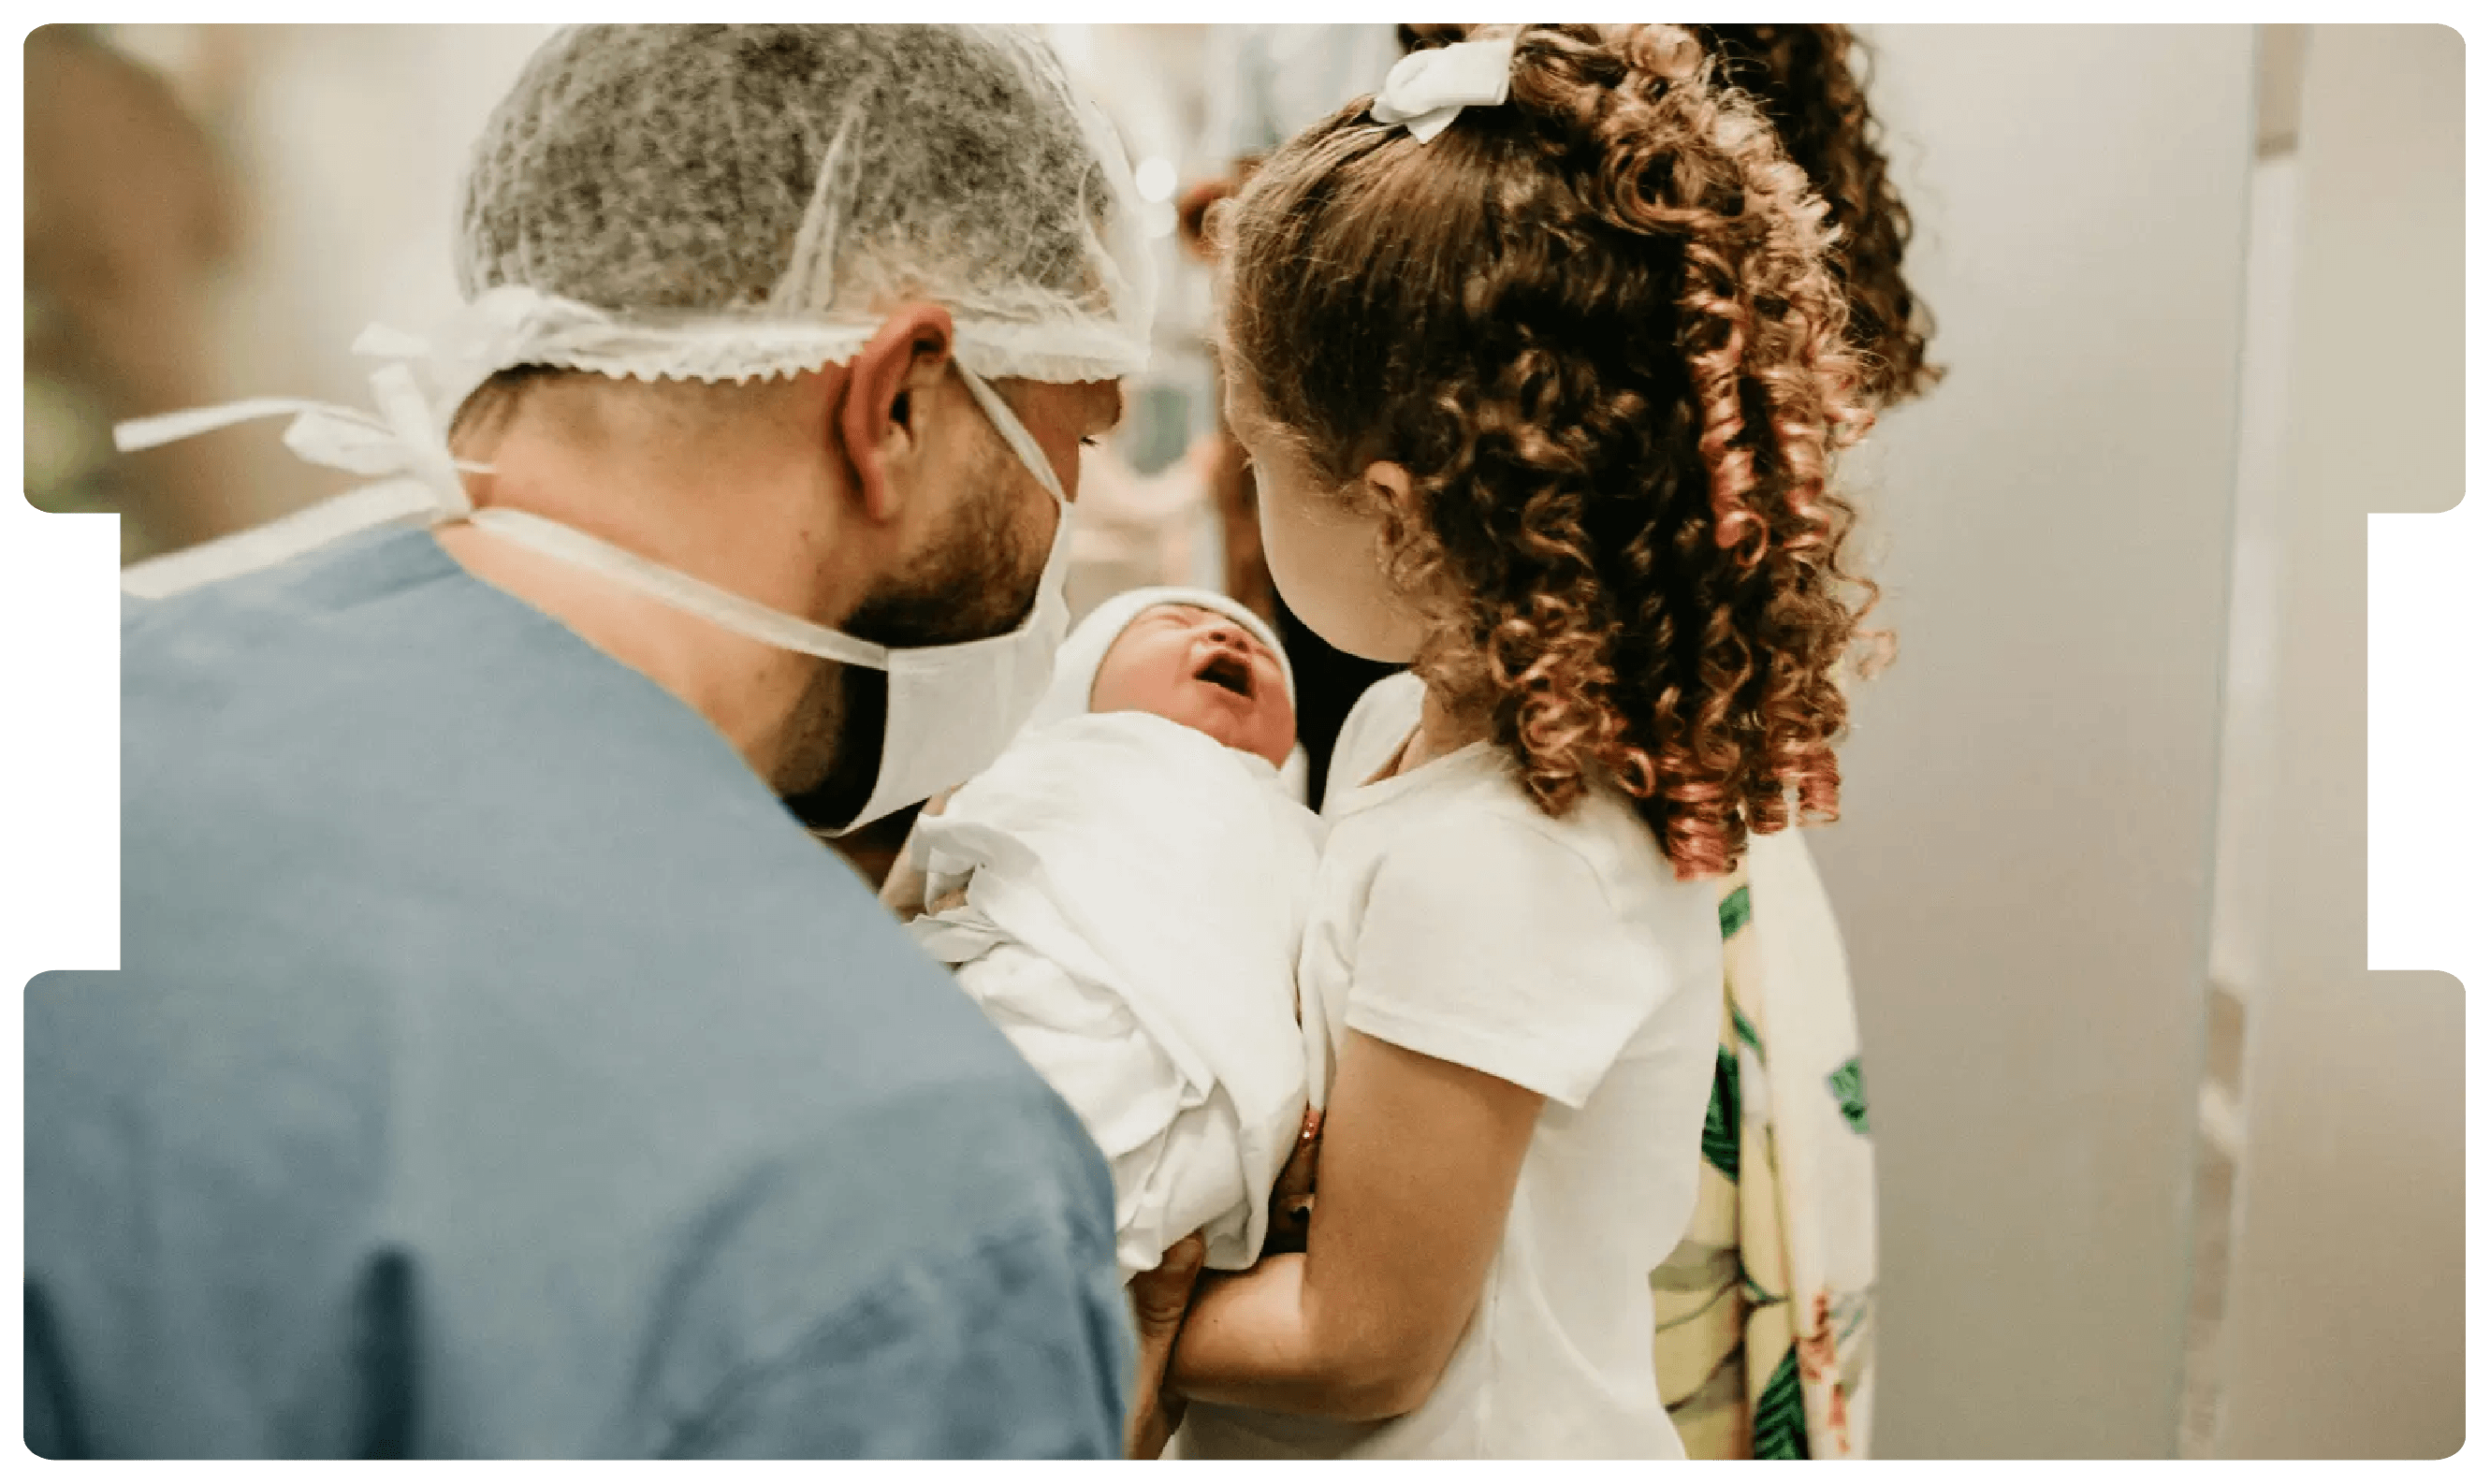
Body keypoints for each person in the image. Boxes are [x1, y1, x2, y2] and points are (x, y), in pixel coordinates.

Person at [31, 24, 1202, 1461]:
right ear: (894, 401)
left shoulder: (62, 696)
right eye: (1075, 446)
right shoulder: (900, 1184)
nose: (1072, 525)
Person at [1158, 25, 1884, 1459]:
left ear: (1396, 517)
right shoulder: (1404, 734)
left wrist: (1085, 1291)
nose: (1239, 490)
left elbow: (1358, 1342)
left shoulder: (1495, 861)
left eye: (1255, 457)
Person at [886, 589, 1321, 1290]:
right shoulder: (1063, 756)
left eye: (1264, 652)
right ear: (1077, 685)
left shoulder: (1307, 833)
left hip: (1221, 1090)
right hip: (1043, 1009)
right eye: (1174, 624)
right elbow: (935, 874)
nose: (1229, 639)